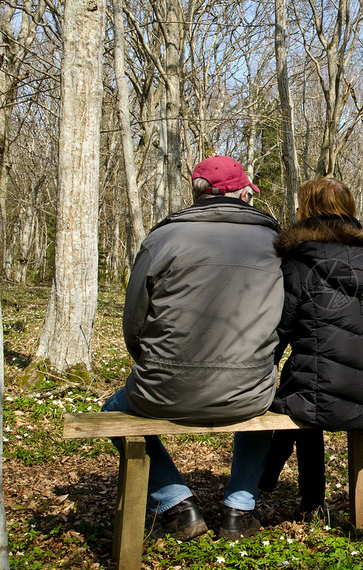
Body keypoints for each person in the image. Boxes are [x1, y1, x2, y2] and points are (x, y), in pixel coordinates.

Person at [102, 156, 283, 541]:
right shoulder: (275, 242)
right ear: (244, 192)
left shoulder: (162, 238)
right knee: (264, 401)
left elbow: (134, 322)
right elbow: (285, 319)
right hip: (249, 390)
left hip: (165, 388)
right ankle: (239, 508)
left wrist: (155, 364)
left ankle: (175, 502)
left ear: (198, 193)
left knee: (112, 410)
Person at [260, 177, 363, 518]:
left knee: (300, 397)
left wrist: (265, 362)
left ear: (308, 208)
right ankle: (272, 483)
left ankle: (309, 501)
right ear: (349, 209)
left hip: (319, 395)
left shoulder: (299, 258)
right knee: (304, 392)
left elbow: (281, 328)